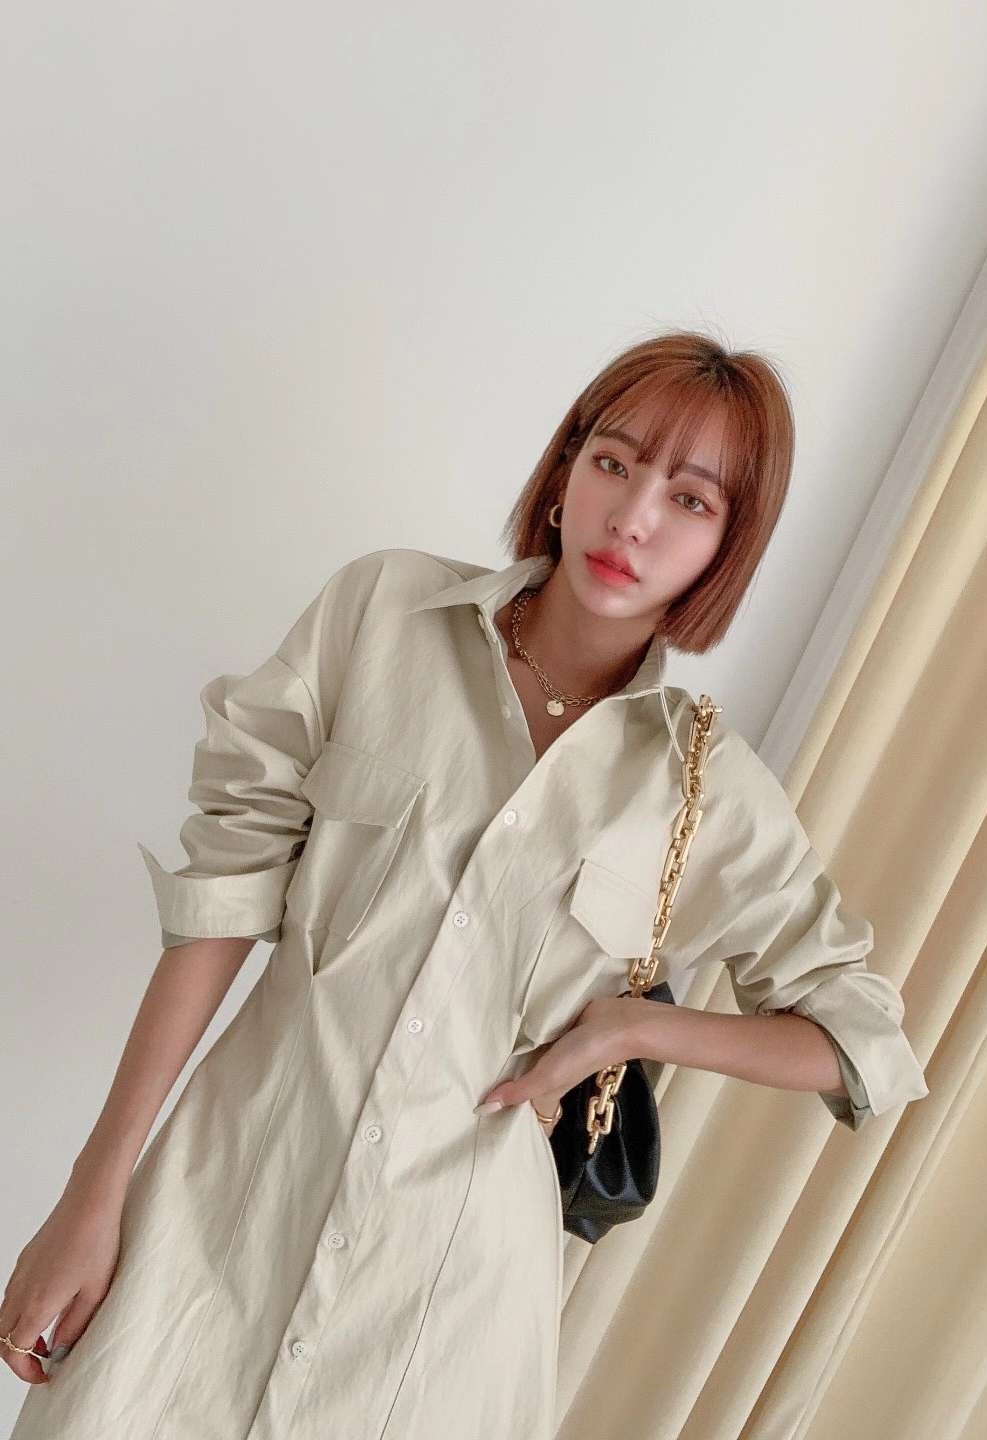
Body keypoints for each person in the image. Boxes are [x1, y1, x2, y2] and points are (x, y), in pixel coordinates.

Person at [2, 329, 928, 1439]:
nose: (634, 518)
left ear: (728, 547)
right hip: (225, 1209)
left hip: (444, 1316)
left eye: (690, 500)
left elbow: (863, 1040)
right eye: (616, 463)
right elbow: (221, 905)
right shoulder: (382, 613)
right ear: (565, 471)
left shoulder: (708, 790)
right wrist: (94, 1190)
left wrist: (636, 1027)